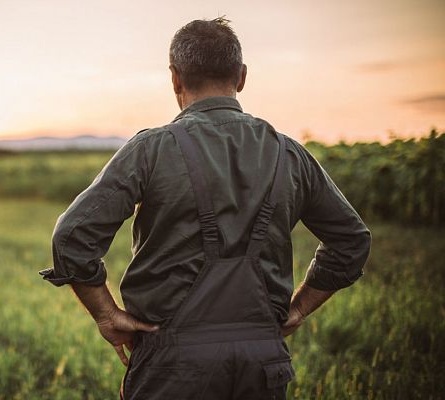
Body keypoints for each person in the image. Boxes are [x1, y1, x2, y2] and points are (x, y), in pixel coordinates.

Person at [38, 17, 371, 399]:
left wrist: (106, 313)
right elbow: (351, 241)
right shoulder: (289, 154)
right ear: (242, 77)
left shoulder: (151, 149)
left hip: (171, 363)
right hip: (262, 363)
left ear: (175, 78)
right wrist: (298, 309)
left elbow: (73, 236)